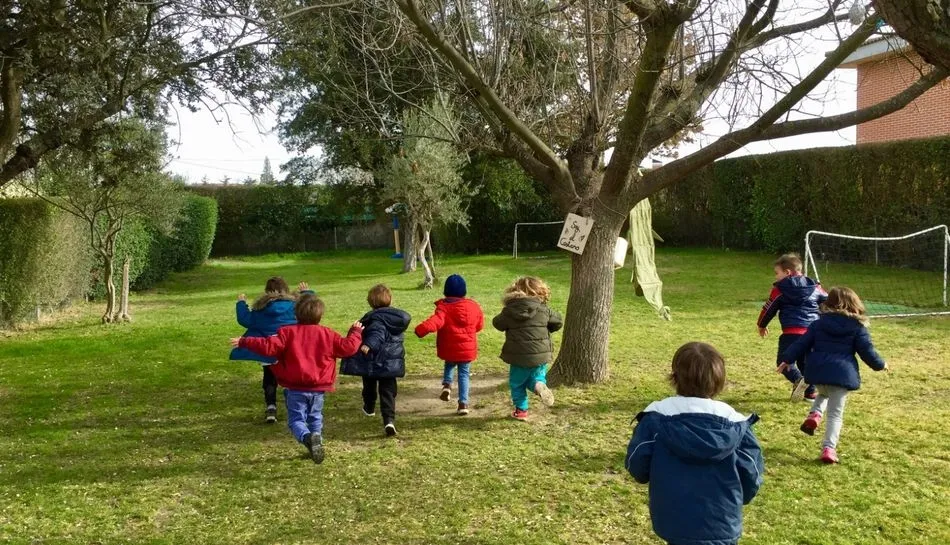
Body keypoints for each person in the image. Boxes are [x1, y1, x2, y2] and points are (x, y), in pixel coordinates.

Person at [625, 342, 764, 545]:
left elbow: (637, 466)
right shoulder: (737, 426)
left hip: (674, 519)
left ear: (675, 378)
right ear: (720, 381)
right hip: (722, 519)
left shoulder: (655, 421)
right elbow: (752, 475)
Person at [231, 293, 363, 464]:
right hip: (318, 387)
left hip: (295, 388)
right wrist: (356, 332)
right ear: (320, 315)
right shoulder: (327, 334)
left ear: (296, 314)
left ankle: (308, 438)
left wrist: (245, 341)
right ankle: (317, 442)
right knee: (315, 417)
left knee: (296, 420)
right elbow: (348, 347)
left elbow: (268, 346)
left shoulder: (287, 333)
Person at [779, 286, 888, 464]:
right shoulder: (857, 327)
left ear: (828, 304)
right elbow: (867, 352)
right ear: (854, 304)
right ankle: (829, 449)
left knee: (823, 393)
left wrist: (787, 359)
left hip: (817, 372)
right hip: (841, 375)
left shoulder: (818, 323)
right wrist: (881, 365)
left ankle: (814, 415)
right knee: (835, 415)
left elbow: (801, 343)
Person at [230, 277, 313, 423]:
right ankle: (294, 408)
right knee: (291, 377)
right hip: (290, 349)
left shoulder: (261, 309)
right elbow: (311, 308)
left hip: (268, 350)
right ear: (286, 289)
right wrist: (307, 292)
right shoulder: (295, 306)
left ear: (267, 292)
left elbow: (245, 319)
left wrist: (241, 303)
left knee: (269, 377)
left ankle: (271, 407)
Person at [340, 284, 411, 437]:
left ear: (370, 302)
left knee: (369, 387)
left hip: (373, 361)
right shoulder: (395, 319)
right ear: (390, 300)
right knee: (388, 392)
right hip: (391, 363)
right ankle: (389, 420)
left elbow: (377, 333)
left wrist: (368, 345)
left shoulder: (376, 319)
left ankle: (369, 407)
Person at [757, 253, 827, 401]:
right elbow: (828, 302)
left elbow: (769, 308)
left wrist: (761, 325)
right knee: (806, 361)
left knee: (784, 361)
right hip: (813, 332)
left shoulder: (780, 289)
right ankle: (810, 393)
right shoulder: (815, 287)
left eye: (777, 273)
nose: (776, 277)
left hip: (791, 333)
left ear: (787, 272)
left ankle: (798, 379)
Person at [492, 276, 562, 421]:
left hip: (518, 356)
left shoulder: (509, 310)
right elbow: (558, 321)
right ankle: (538, 385)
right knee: (536, 376)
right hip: (541, 355)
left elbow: (497, 323)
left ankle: (521, 410)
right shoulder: (544, 310)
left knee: (517, 383)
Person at [415, 274, 484, 415]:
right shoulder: (473, 306)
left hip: (449, 347)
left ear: (446, 291)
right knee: (464, 374)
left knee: (449, 362)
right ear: (464, 291)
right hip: (467, 350)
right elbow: (479, 325)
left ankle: (447, 385)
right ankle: (463, 404)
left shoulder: (444, 308)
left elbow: (435, 322)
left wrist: (421, 329)